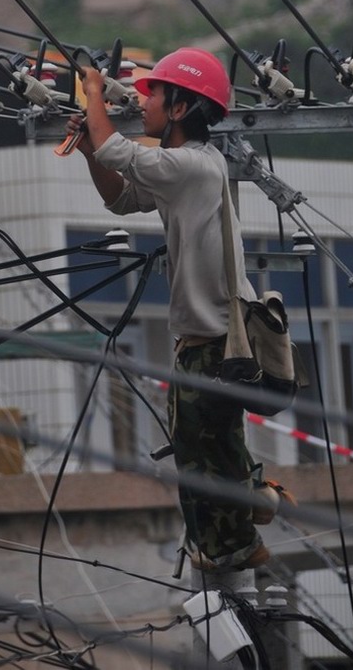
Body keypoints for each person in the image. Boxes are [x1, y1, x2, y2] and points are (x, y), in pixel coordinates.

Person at [66, 47, 285, 572]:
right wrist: (89, 150)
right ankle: (257, 498)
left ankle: (230, 550)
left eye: (156, 95)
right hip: (212, 338)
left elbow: (119, 152)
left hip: (209, 341)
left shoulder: (189, 166)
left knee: (195, 454)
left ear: (182, 108)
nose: (145, 104)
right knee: (217, 443)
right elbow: (120, 197)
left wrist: (95, 94)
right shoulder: (186, 169)